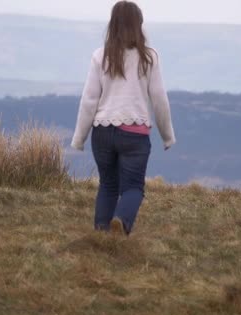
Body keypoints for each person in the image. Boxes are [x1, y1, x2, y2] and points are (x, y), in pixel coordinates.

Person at [70, 0, 176, 236]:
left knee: (108, 185)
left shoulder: (100, 56)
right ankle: (121, 220)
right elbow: (159, 100)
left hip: (102, 133)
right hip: (134, 135)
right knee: (133, 188)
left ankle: (100, 234)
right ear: (139, 25)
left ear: (113, 25)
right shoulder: (149, 57)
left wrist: (79, 139)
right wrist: (167, 136)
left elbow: (89, 101)